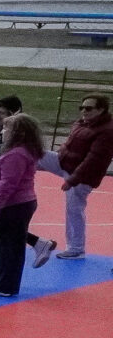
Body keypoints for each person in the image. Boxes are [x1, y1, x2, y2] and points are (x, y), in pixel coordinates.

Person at [0, 113, 57, 296]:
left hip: (13, 205)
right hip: (19, 203)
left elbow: (8, 184)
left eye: (7, 128)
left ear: (18, 133)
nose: (3, 131)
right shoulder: (23, 151)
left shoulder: (16, 154)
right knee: (10, 243)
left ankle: (5, 285)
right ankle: (3, 279)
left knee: (8, 246)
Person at [44, 94, 109, 259]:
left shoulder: (107, 131)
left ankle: (76, 249)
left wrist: (72, 180)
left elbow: (92, 160)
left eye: (88, 108)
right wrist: (60, 153)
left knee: (74, 209)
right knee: (36, 154)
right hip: (65, 164)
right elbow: (69, 144)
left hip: (83, 176)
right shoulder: (82, 123)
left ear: (101, 110)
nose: (84, 111)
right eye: (82, 108)